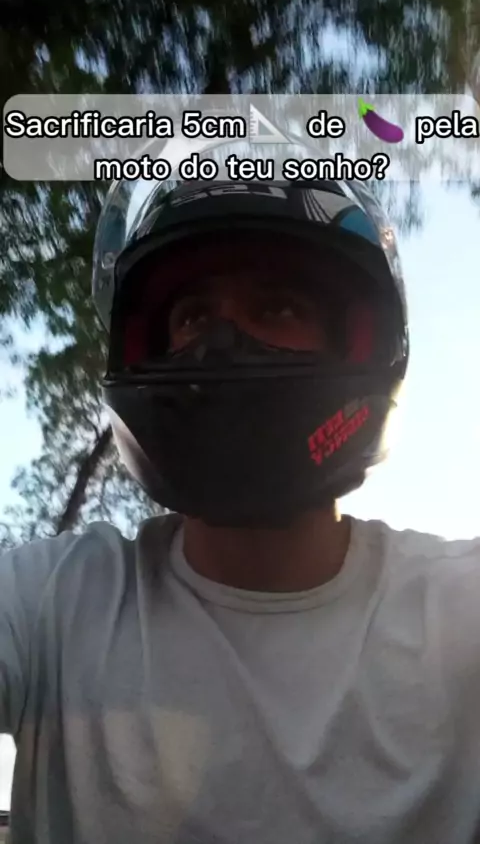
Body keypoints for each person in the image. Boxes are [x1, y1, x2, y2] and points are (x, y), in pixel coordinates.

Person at [1, 176, 480, 844]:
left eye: (276, 308)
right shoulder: (54, 601)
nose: (222, 344)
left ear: (357, 344)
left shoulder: (457, 609)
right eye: (193, 318)